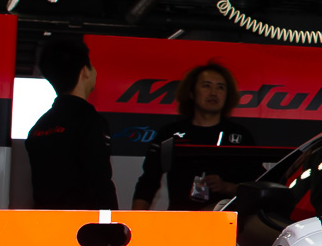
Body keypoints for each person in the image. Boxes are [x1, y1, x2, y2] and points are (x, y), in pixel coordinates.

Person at [132, 62, 257, 210]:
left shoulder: (240, 135)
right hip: (181, 217)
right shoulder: (170, 133)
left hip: (227, 218)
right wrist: (135, 219)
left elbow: (257, 185)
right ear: (191, 93)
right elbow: (148, 181)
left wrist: (227, 187)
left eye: (220, 87)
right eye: (206, 86)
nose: (213, 93)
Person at [26, 36, 118, 209]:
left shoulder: (38, 128)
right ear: (85, 71)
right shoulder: (90, 121)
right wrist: (113, 223)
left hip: (48, 222)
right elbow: (100, 183)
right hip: (86, 223)